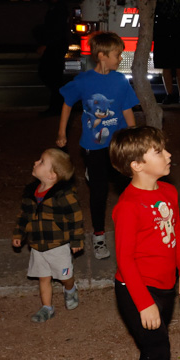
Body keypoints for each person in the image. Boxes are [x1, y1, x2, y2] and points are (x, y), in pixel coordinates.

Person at [109, 126, 180, 360]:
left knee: (154, 342)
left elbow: (178, 233)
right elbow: (125, 260)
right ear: (136, 164)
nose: (168, 154)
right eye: (158, 151)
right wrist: (144, 302)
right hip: (136, 290)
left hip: (165, 285)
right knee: (159, 352)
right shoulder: (129, 206)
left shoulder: (168, 192)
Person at [57, 31, 138, 260]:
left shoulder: (120, 80)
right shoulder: (84, 81)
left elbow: (127, 108)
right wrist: (62, 132)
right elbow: (67, 104)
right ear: (102, 56)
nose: (120, 58)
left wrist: (133, 137)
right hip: (93, 146)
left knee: (128, 186)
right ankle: (99, 236)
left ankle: (131, 232)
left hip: (118, 145)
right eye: (117, 54)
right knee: (100, 191)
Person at [12, 148, 84, 322]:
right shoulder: (31, 194)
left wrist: (76, 240)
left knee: (65, 277)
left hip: (58, 246)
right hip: (37, 245)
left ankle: (70, 289)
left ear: (52, 175)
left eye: (41, 161)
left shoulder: (63, 196)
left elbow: (76, 217)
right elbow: (24, 215)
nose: (36, 163)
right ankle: (47, 307)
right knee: (43, 277)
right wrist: (19, 233)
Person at [153, 0, 180, 105]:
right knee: (169, 67)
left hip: (175, 37)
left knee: (177, 67)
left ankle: (179, 95)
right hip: (168, 37)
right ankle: (173, 95)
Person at [35, 0, 71, 115]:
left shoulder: (60, 8)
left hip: (56, 45)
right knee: (52, 76)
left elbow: (57, 30)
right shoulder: (53, 7)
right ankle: (58, 105)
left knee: (49, 74)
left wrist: (45, 44)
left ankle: (58, 106)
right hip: (55, 44)